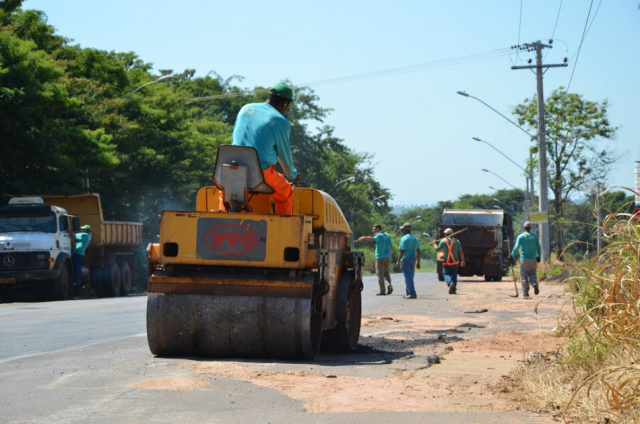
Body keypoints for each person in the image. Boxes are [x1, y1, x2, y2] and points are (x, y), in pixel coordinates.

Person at [225, 82, 300, 215]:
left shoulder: (246, 108)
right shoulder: (279, 121)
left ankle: (220, 219)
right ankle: (282, 233)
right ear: (285, 103)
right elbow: (284, 157)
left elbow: (235, 141)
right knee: (286, 194)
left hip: (231, 168)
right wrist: (292, 175)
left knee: (226, 194)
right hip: (261, 173)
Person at [355, 224, 393, 296]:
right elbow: (391, 247)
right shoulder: (387, 235)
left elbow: (371, 239)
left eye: (374, 229)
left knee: (380, 275)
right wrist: (390, 256)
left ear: (378, 229)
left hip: (380, 257)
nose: (372, 231)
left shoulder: (378, 235)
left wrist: (363, 238)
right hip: (388, 257)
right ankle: (389, 285)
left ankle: (382, 291)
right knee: (386, 273)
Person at [510, 221, 542, 298]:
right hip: (533, 259)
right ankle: (534, 283)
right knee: (533, 273)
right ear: (530, 228)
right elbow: (539, 247)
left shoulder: (521, 236)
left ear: (524, 228)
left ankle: (525, 293)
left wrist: (511, 255)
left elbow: (516, 247)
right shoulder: (535, 236)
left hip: (524, 259)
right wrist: (538, 256)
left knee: (524, 276)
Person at [436, 228, 465, 295]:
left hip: (447, 262)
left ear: (446, 234)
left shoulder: (443, 241)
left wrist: (434, 243)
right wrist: (463, 261)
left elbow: (437, 249)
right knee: (454, 276)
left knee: (445, 274)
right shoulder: (457, 241)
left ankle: (450, 283)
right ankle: (453, 290)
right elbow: (460, 252)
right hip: (455, 262)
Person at [395, 223, 421, 299]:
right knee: (410, 277)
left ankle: (412, 293)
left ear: (405, 230)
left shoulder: (404, 239)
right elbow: (418, 251)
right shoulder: (415, 238)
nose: (402, 231)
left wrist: (398, 261)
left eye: (403, 229)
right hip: (413, 259)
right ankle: (408, 293)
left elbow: (402, 251)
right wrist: (418, 262)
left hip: (406, 260)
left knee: (408, 277)